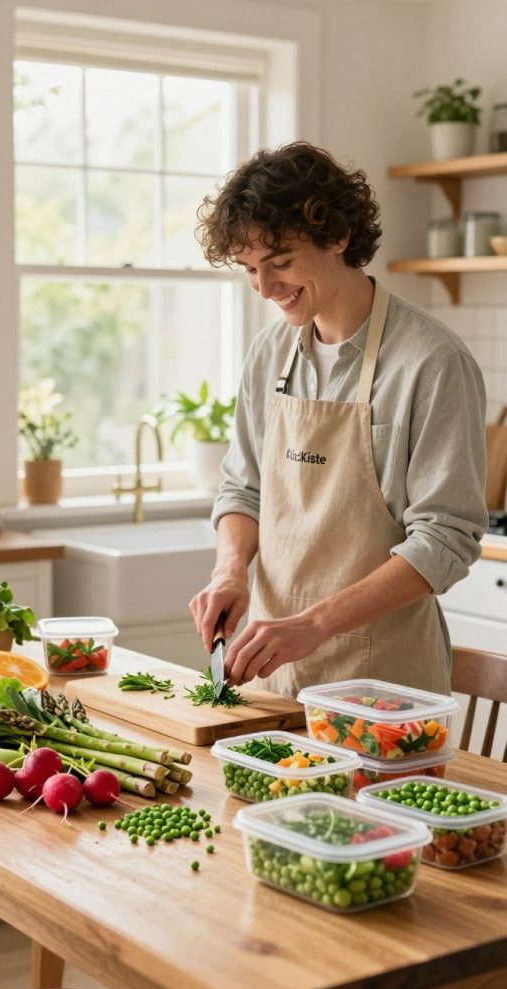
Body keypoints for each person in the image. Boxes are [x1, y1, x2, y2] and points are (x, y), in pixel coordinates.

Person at [189, 141, 487, 697]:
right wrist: (230, 570)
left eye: (280, 262)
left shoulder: (433, 362)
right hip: (273, 675)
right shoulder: (269, 353)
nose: (265, 288)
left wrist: (317, 624)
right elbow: (243, 488)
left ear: (338, 236)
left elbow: (445, 540)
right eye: (250, 269)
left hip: (386, 686)